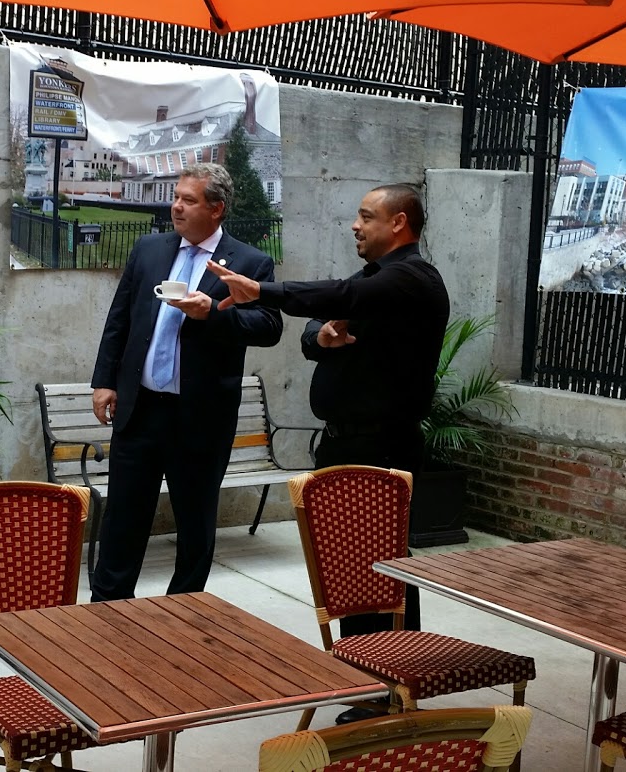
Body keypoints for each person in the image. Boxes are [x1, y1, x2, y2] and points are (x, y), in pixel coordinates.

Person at [208, 183, 448, 721]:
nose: (355, 225)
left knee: (382, 571)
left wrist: (262, 291)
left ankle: (390, 686)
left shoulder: (410, 278)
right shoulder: (375, 278)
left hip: (381, 444)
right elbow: (317, 325)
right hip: (344, 442)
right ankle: (365, 677)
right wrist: (321, 339)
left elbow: (338, 297)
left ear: (400, 223)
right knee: (348, 567)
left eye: (366, 216)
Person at [90, 163, 282, 601]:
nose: (176, 206)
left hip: (198, 418)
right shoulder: (149, 249)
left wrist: (213, 314)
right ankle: (106, 613)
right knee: (122, 520)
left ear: (216, 209)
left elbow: (268, 327)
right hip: (139, 411)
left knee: (194, 524)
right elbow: (119, 319)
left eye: (188, 200)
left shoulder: (250, 262)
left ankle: (182, 615)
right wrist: (104, 381)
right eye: (176, 197)